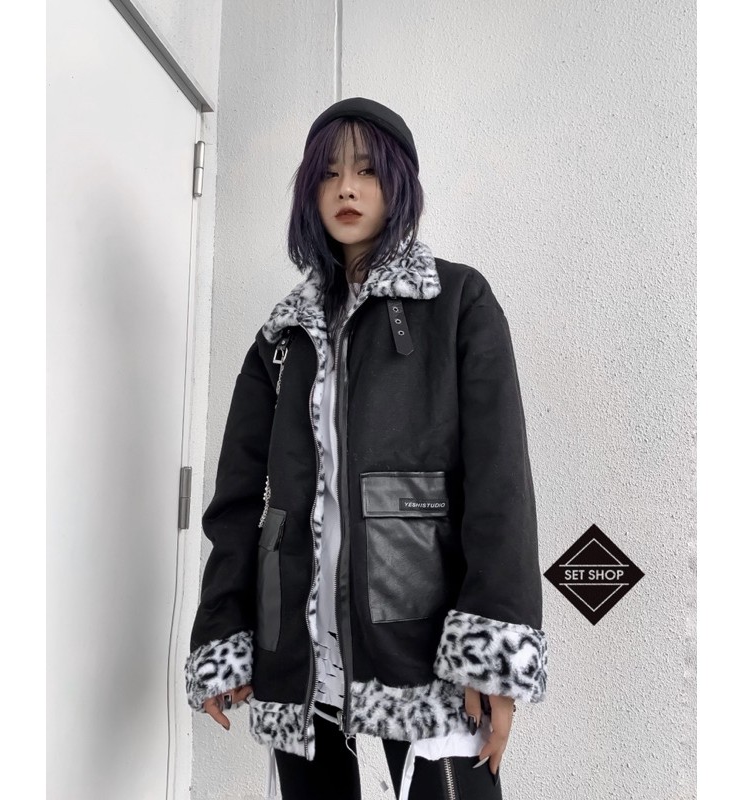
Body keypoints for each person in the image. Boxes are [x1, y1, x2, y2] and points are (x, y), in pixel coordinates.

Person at [184, 97, 548, 800]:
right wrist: (225, 627)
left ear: (398, 181)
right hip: (300, 653)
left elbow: (501, 483)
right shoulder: (282, 338)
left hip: (425, 653)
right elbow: (238, 501)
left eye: (366, 170)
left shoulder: (458, 302)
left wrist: (493, 647)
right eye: (327, 172)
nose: (346, 187)